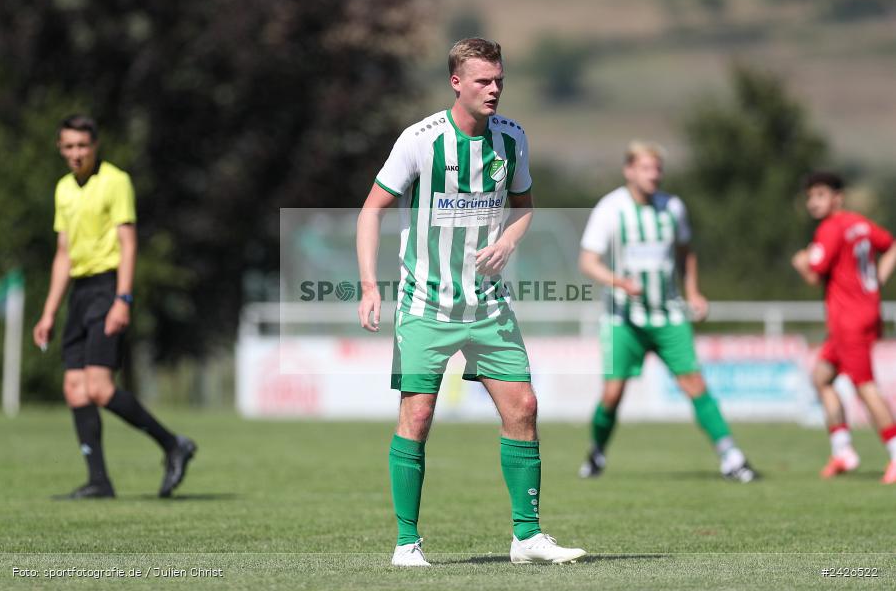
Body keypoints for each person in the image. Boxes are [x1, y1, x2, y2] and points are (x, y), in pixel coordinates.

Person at [356, 38, 586, 567]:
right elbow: (371, 210)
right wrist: (369, 285)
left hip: (487, 305)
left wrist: (508, 241)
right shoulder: (420, 140)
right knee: (418, 415)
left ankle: (527, 537)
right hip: (425, 304)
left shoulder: (512, 138)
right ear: (456, 82)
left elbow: (524, 207)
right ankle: (407, 544)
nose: (494, 89)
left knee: (524, 407)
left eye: (499, 79)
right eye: (484, 80)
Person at [33, 115, 196, 499]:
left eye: (82, 145)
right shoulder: (63, 189)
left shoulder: (115, 181)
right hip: (80, 291)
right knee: (75, 389)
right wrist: (49, 312)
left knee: (100, 388)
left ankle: (173, 444)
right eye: (69, 146)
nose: (76, 153)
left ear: (95, 146)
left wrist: (123, 298)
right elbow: (63, 254)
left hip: (107, 287)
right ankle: (99, 482)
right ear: (60, 148)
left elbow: (128, 242)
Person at [577, 141, 757, 483]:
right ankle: (597, 452)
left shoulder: (673, 206)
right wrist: (619, 282)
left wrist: (693, 292)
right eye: (646, 168)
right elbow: (587, 261)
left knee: (695, 383)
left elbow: (686, 251)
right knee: (612, 394)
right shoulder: (611, 208)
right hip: (623, 318)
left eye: (658, 169)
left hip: (668, 314)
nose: (654, 175)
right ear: (629, 171)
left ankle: (731, 457)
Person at [791, 171, 896, 483]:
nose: (813, 202)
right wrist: (877, 280)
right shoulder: (859, 223)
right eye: (810, 197)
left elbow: (815, 275)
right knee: (821, 378)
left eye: (820, 195)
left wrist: (801, 264)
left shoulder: (830, 229)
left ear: (837, 197)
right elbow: (891, 245)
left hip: (849, 321)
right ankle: (843, 451)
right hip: (863, 315)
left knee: (864, 386)